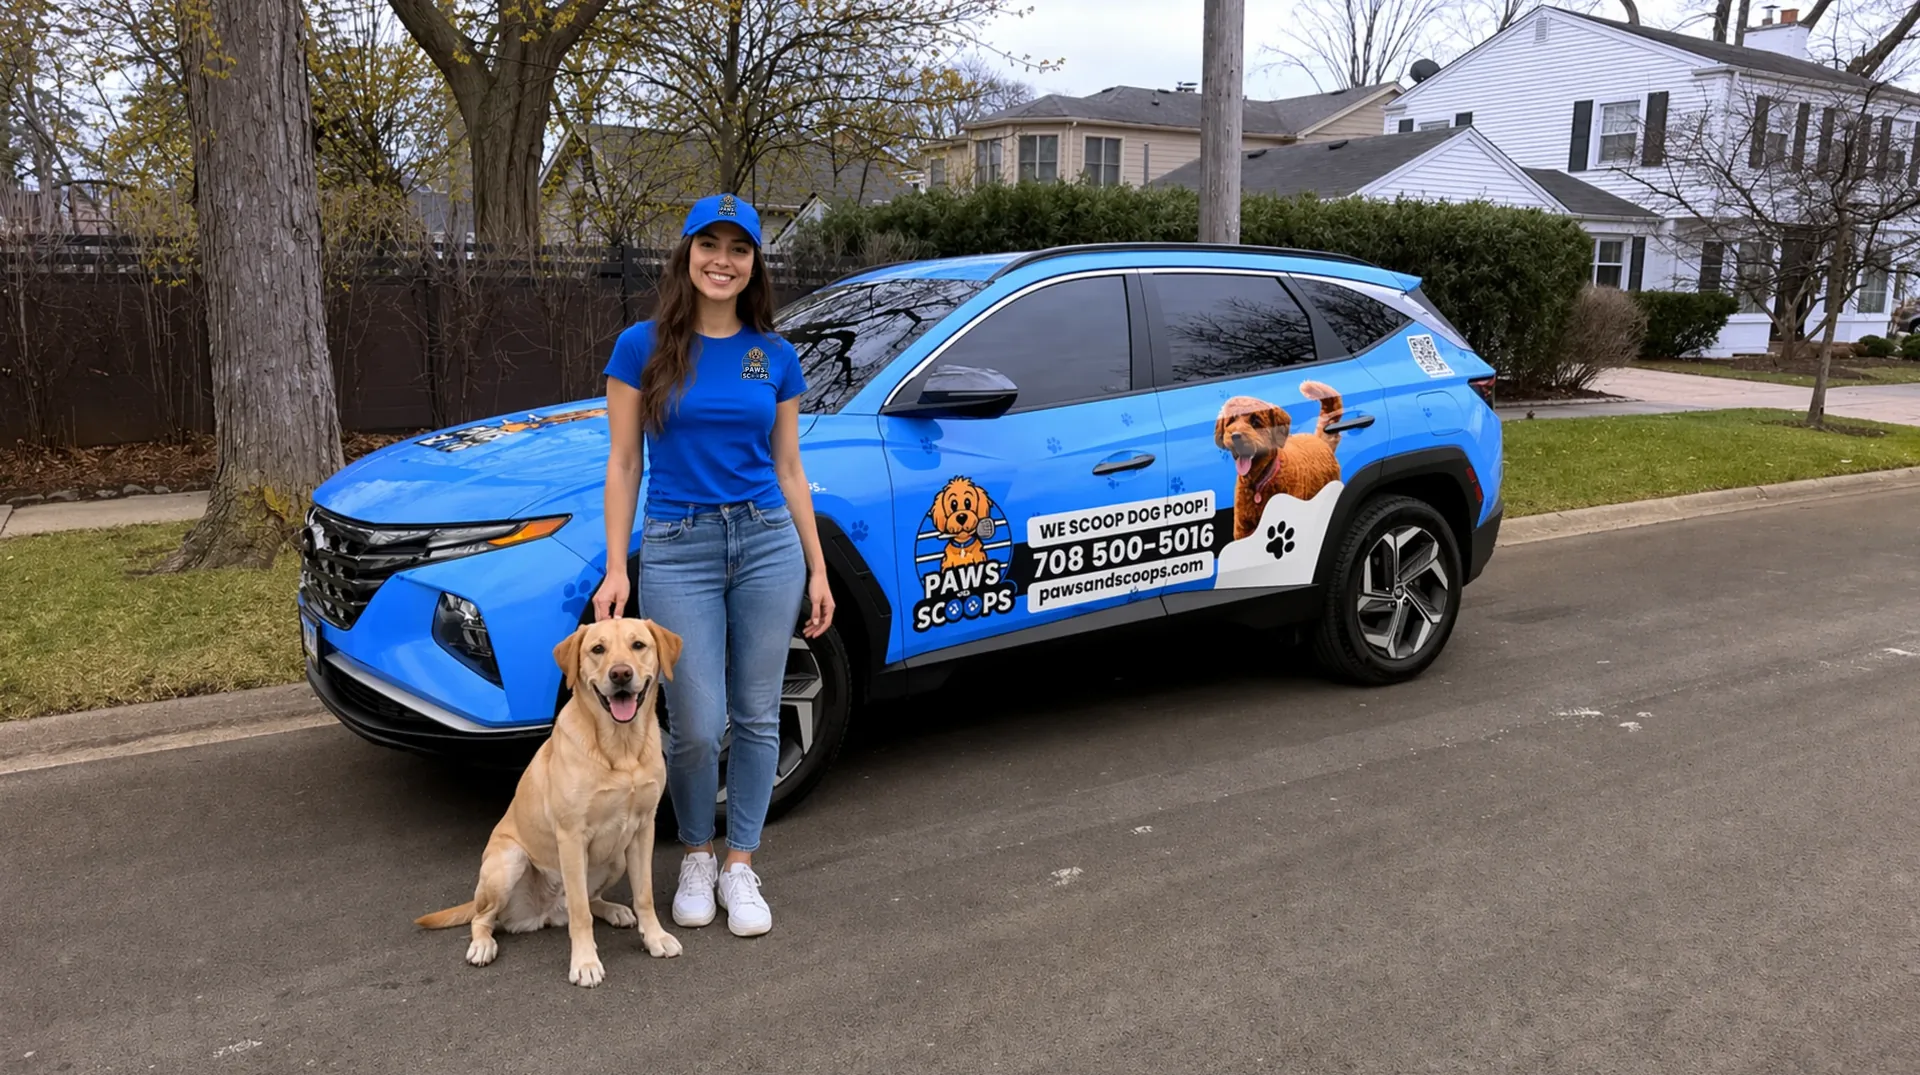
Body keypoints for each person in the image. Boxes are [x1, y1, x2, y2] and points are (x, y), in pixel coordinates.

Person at [593, 193, 834, 938]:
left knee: (758, 714)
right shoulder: (642, 347)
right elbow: (625, 462)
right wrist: (616, 566)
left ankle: (740, 863)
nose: (722, 260)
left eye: (739, 247)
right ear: (687, 254)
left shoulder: (775, 355)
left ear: (755, 263)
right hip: (679, 543)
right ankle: (696, 852)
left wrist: (818, 569)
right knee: (696, 723)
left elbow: (790, 466)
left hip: (767, 542)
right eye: (710, 244)